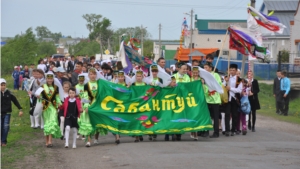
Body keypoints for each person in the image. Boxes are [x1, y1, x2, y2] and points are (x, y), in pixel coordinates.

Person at [35, 72, 62, 147]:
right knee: (47, 124)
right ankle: (47, 141)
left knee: (52, 122)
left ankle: (50, 141)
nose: (50, 80)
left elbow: (57, 97)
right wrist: (38, 98)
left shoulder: (56, 87)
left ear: (53, 79)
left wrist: (59, 103)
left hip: (53, 107)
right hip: (45, 107)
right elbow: (39, 96)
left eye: (51, 78)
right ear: (46, 79)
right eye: (48, 78)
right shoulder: (42, 87)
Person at [84, 68, 107, 146]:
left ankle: (96, 138)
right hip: (90, 106)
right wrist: (86, 106)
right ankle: (89, 140)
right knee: (89, 123)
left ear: (96, 75)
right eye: (91, 74)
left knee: (97, 122)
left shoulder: (99, 84)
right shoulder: (86, 85)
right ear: (88, 75)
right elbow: (85, 97)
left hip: (98, 106)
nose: (92, 76)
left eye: (94, 74)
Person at [1, 78, 23, 146]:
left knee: (6, 127)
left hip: (7, 113)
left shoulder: (9, 93)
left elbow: (15, 101)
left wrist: (20, 109)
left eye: (4, 85)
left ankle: (3, 141)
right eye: (1, 85)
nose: (3, 86)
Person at [173, 62, 190, 141]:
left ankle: (179, 133)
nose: (185, 70)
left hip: (183, 99)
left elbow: (189, 87)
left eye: (186, 69)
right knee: (174, 115)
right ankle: (174, 132)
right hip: (175, 99)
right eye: (183, 69)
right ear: (179, 69)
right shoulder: (173, 76)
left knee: (181, 116)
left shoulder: (187, 77)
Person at [225, 64, 242, 136]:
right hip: (227, 98)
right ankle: (227, 130)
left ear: (236, 71)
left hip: (234, 99)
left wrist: (231, 89)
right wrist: (225, 82)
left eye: (233, 70)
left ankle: (233, 129)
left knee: (234, 114)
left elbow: (239, 90)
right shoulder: (226, 78)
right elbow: (222, 86)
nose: (231, 71)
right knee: (227, 114)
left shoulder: (239, 80)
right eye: (230, 70)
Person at [76, 74, 93, 144]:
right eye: (80, 80)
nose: (81, 81)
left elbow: (87, 99)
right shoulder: (76, 87)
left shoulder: (86, 86)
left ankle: (87, 138)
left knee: (86, 122)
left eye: (82, 80)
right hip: (78, 105)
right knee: (79, 120)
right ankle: (81, 132)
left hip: (86, 105)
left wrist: (86, 106)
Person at [131, 70, 146, 142]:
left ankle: (141, 133)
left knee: (143, 118)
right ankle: (137, 136)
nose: (138, 77)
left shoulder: (145, 84)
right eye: (137, 76)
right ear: (135, 77)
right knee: (136, 119)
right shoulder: (133, 85)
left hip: (144, 104)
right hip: (136, 104)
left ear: (142, 77)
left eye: (140, 76)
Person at [190, 66, 202, 140]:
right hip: (191, 100)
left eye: (196, 73)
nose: (195, 74)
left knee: (197, 116)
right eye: (194, 73)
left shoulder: (201, 80)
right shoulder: (189, 79)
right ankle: (192, 131)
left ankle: (196, 132)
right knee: (192, 116)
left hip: (199, 100)